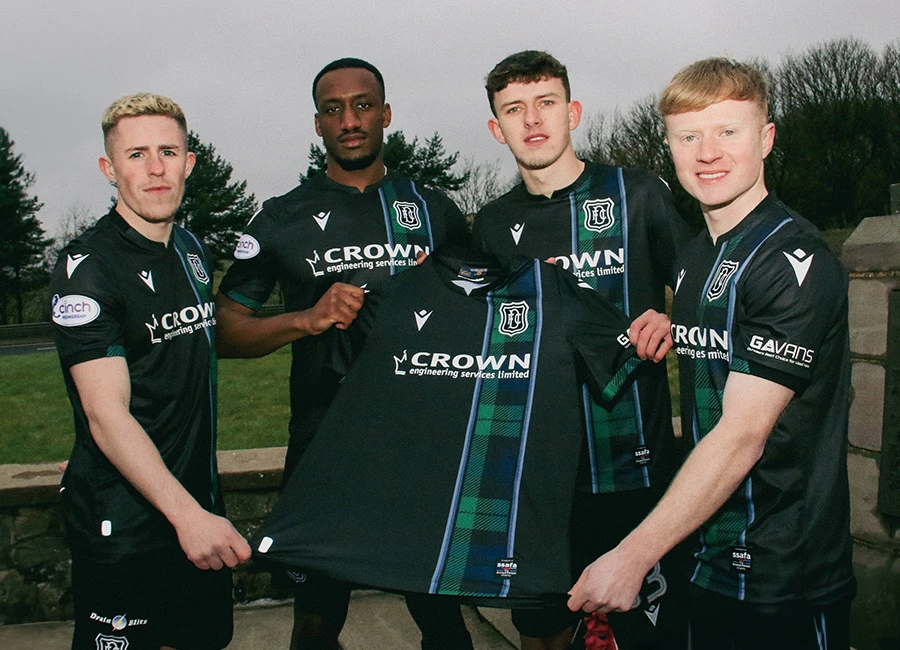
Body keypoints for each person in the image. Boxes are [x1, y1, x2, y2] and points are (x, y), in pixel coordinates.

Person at [566, 58, 856, 650]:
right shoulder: (696, 255)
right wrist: (671, 322)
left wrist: (633, 555)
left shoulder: (792, 261)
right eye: (688, 136)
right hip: (707, 555)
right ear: (669, 148)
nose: (708, 153)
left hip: (784, 573)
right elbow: (726, 341)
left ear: (766, 139)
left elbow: (743, 434)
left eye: (728, 131)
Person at [216, 58, 473, 650]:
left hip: (422, 448)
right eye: (333, 110)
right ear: (318, 124)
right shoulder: (281, 217)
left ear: (386, 115)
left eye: (362, 106)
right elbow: (224, 331)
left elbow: (485, 309)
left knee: (443, 622)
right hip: (324, 449)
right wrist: (305, 319)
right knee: (315, 623)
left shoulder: (433, 209)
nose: (349, 120)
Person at [474, 50, 692, 650]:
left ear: (572, 112)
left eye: (545, 102)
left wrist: (672, 319)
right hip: (539, 475)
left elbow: (707, 287)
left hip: (633, 464)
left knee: (649, 634)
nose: (532, 119)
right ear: (496, 128)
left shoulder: (636, 193)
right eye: (514, 109)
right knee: (544, 633)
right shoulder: (491, 225)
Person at [50, 93, 251, 650]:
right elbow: (105, 412)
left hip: (197, 506)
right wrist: (188, 517)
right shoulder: (87, 269)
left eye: (168, 151)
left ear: (188, 162)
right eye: (136, 155)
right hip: (127, 524)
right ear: (109, 169)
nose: (156, 168)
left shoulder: (190, 248)